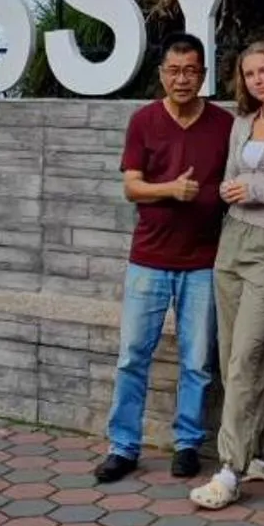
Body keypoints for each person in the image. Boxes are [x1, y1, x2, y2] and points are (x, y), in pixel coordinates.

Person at [95, 32, 232, 484]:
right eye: (174, 71)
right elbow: (131, 185)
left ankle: (188, 444)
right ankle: (123, 447)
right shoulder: (143, 121)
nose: (182, 79)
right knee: (133, 355)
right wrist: (171, 189)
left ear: (203, 75)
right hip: (149, 259)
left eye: (190, 70)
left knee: (197, 361)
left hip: (204, 262)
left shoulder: (223, 125)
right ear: (161, 75)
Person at [191, 41, 264, 512]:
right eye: (250, 73)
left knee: (244, 357)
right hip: (232, 242)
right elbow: (229, 178)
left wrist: (260, 189)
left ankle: (228, 471)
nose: (259, 79)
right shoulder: (242, 121)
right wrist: (227, 189)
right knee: (236, 358)